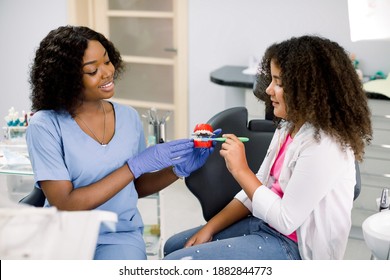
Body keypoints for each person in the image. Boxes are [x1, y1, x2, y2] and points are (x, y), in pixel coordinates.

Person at [163, 35, 372, 260]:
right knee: (174, 247)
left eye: (279, 83)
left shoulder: (325, 145)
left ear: (309, 89)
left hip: (296, 249)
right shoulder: (289, 127)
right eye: (271, 80)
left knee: (177, 263)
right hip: (264, 224)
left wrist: (240, 170)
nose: (269, 90)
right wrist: (210, 228)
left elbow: (285, 220)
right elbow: (256, 190)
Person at [26, 25, 214, 260]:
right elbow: (65, 202)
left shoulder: (128, 117)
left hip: (119, 235)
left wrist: (176, 170)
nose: (107, 72)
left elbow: (135, 186)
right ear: (66, 79)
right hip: (65, 235)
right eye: (92, 70)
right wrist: (132, 166)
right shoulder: (45, 125)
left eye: (107, 61)